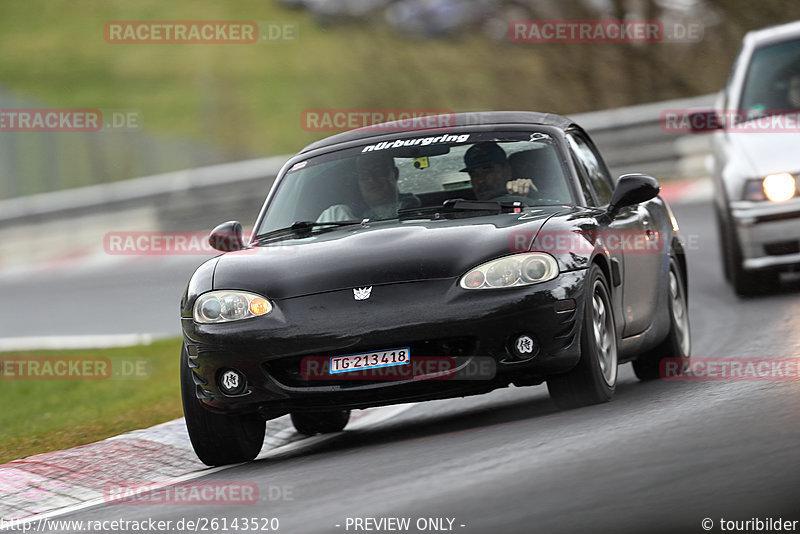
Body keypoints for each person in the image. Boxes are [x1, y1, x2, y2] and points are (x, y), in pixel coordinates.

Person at [317, 152, 419, 222]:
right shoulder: (336, 217)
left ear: (395, 174)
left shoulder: (420, 214)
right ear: (359, 181)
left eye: (378, 172)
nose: (371, 179)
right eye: (365, 175)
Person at [460, 142, 537, 199]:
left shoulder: (522, 193)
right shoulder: (463, 210)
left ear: (507, 171)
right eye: (473, 174)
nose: (480, 181)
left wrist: (524, 195)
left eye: (487, 171)